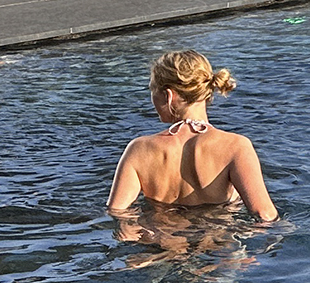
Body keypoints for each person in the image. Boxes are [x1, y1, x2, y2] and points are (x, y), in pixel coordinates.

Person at [108, 51, 279, 221]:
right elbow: (265, 214)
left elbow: (116, 212)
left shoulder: (139, 149)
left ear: (168, 96)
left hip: (163, 242)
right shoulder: (236, 146)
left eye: (153, 90)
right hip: (217, 242)